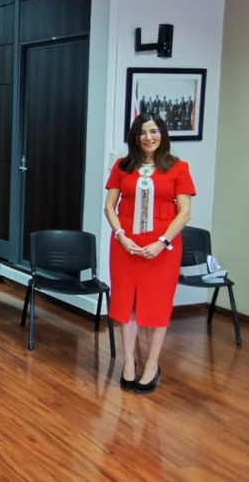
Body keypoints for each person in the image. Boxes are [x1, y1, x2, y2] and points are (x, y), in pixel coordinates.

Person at [104, 113, 195, 394]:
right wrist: (121, 236)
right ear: (134, 137)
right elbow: (110, 207)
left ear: (163, 134)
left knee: (157, 304)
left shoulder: (179, 168)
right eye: (142, 132)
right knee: (126, 304)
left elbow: (185, 213)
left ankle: (152, 365)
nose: (148, 137)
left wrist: (162, 243)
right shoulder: (122, 166)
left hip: (163, 249)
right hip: (125, 246)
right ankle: (129, 362)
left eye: (154, 131)